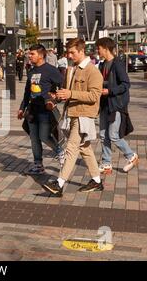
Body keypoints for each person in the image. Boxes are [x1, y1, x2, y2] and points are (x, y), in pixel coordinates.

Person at [42, 38, 103, 197]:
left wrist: (70, 94)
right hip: (71, 114)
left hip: (84, 115)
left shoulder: (93, 71)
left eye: (72, 52)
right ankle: (96, 181)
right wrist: (59, 96)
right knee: (85, 148)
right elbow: (68, 92)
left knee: (71, 148)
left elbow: (94, 96)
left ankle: (59, 183)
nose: (69, 55)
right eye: (68, 52)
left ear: (82, 51)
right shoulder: (72, 69)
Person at [18, 44, 65, 175]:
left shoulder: (51, 70)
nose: (29, 56)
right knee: (34, 138)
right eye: (29, 54)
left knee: (44, 136)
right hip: (32, 111)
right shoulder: (31, 71)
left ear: (41, 55)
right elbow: (27, 91)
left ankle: (60, 151)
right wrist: (22, 108)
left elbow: (63, 86)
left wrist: (56, 99)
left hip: (45, 110)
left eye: (32, 54)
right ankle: (38, 165)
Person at [96, 37, 138, 175]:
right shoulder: (102, 65)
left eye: (99, 48)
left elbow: (126, 84)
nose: (97, 51)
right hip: (104, 105)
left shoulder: (117, 64)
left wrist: (110, 91)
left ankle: (131, 156)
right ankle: (106, 163)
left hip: (115, 105)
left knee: (113, 135)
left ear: (105, 48)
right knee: (103, 135)